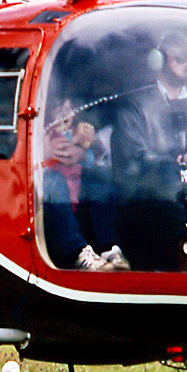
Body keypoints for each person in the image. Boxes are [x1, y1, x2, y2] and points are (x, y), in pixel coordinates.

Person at [111, 33, 187, 270]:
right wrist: (180, 160)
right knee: (167, 185)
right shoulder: (136, 105)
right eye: (181, 59)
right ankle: (185, 256)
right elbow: (132, 161)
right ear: (158, 61)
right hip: (153, 194)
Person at [41, 100, 129, 271]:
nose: (64, 114)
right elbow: (62, 153)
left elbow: (97, 156)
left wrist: (91, 142)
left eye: (69, 109)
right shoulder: (46, 133)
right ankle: (78, 253)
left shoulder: (79, 130)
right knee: (53, 179)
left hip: (81, 195)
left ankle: (109, 248)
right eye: (58, 109)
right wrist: (75, 141)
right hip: (55, 204)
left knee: (100, 176)